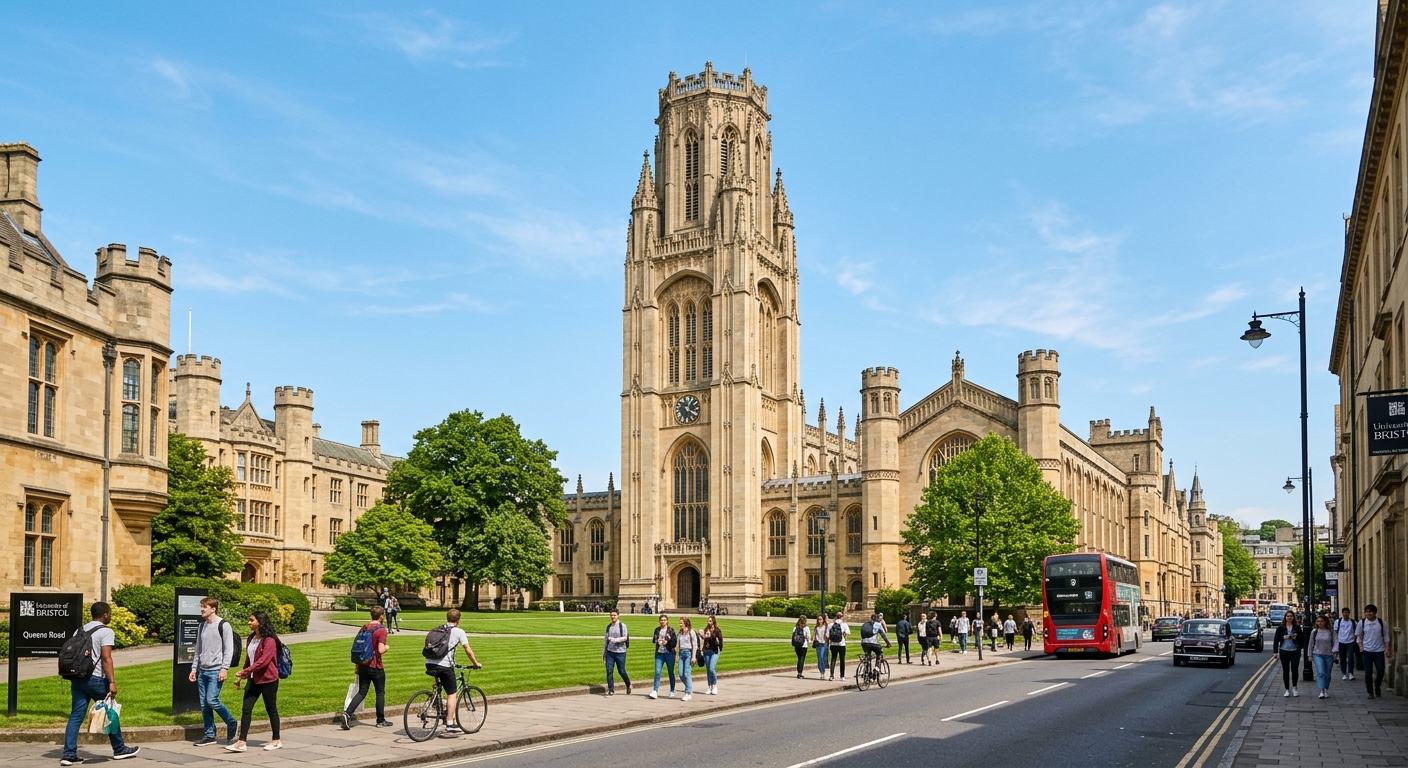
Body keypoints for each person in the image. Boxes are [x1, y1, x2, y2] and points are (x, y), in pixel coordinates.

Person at [60, 602, 141, 765]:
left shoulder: (80, 630)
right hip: (96, 678)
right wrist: (111, 682)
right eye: (109, 614)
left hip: (78, 678)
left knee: (76, 716)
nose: (110, 616)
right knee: (110, 711)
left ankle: (68, 755)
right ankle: (119, 749)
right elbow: (106, 658)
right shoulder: (106, 631)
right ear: (105, 614)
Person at [227, 611, 283, 752]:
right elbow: (249, 659)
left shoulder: (269, 640)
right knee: (246, 709)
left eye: (252, 620)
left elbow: (263, 661)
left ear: (260, 622)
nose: (249, 622)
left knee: (271, 709)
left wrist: (247, 671)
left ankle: (276, 740)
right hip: (253, 680)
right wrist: (242, 676)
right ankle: (241, 742)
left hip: (268, 679)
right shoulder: (251, 638)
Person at [422, 608, 482, 736]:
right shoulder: (459, 631)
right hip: (444, 666)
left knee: (440, 684)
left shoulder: (437, 629)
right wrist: (475, 663)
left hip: (429, 663)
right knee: (452, 694)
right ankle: (450, 724)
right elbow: (467, 650)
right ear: (458, 621)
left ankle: (436, 705)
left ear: (447, 618)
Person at [190, 597, 239, 746]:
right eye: (201, 607)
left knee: (212, 700)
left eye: (205, 607)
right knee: (204, 705)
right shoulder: (202, 626)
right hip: (203, 670)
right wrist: (194, 668)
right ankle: (209, 735)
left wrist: (224, 669)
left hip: (216, 670)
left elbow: (229, 649)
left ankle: (230, 721)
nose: (202, 610)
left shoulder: (224, 625)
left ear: (213, 609)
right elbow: (198, 649)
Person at [338, 606, 391, 728]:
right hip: (375, 665)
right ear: (381, 616)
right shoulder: (381, 630)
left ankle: (347, 713)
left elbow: (359, 648)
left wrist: (358, 665)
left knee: (362, 692)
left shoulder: (364, 627)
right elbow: (380, 649)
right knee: (380, 692)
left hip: (363, 664)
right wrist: (387, 648)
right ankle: (380, 720)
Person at [1357, 604, 1391, 699]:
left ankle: (1377, 686)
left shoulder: (1381, 622)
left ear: (1375, 613)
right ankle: (1370, 692)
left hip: (1379, 650)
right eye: (1367, 611)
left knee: (1380, 671)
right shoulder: (1362, 622)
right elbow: (1358, 636)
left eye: (1370, 611)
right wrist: (1360, 646)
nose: (1368, 613)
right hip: (1367, 650)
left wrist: (1387, 649)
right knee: (1368, 672)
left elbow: (1386, 636)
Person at [1272, 612, 1303, 698]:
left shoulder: (1297, 627)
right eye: (1288, 616)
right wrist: (1275, 652)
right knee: (1286, 671)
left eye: (1291, 616)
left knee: (1294, 669)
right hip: (1284, 650)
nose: (1289, 618)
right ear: (1285, 617)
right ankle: (1287, 689)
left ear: (1293, 617)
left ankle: (1294, 688)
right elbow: (1276, 640)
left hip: (1295, 651)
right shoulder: (1280, 628)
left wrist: (1296, 638)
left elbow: (1302, 639)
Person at [648, 613, 677, 699]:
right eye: (661, 620)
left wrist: (667, 642)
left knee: (670, 673)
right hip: (659, 653)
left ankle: (672, 690)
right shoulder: (657, 630)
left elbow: (674, 643)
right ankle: (655, 691)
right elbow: (654, 640)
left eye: (664, 620)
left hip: (669, 654)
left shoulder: (671, 630)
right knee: (657, 672)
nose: (663, 622)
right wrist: (658, 641)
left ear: (667, 621)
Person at [603, 610, 631, 696]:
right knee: (609, 671)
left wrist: (615, 640)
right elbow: (605, 641)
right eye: (611, 615)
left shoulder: (622, 626)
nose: (613, 617)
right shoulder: (608, 627)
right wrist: (604, 654)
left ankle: (628, 684)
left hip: (621, 652)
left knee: (621, 671)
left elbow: (625, 637)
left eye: (614, 615)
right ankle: (611, 689)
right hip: (610, 652)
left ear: (618, 616)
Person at [1308, 614, 1336, 699]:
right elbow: (1311, 644)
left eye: (1321, 621)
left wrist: (1335, 651)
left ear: (1325, 622)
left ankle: (1326, 689)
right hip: (1317, 654)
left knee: (1327, 674)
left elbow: (1335, 642)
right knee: (1320, 673)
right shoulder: (1314, 631)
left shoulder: (1331, 631)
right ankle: (1322, 691)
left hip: (1329, 654)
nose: (1319, 623)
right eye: (1318, 621)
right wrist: (1309, 655)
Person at [677, 617, 699, 701]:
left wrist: (693, 656)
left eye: (681, 623)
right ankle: (689, 687)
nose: (680, 624)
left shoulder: (691, 632)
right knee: (680, 674)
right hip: (682, 653)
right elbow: (678, 644)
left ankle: (688, 692)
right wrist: (677, 655)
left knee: (686, 673)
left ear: (686, 623)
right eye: (680, 623)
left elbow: (694, 645)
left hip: (689, 653)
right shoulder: (680, 632)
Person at [701, 615, 723, 694]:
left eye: (710, 621)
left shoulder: (717, 630)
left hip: (714, 651)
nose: (708, 622)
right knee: (708, 670)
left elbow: (719, 641)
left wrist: (711, 635)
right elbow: (704, 640)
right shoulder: (706, 629)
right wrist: (702, 636)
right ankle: (709, 686)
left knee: (711, 668)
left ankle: (714, 685)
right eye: (708, 621)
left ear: (713, 621)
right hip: (707, 651)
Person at [1334, 607, 1358, 680]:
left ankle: (1351, 673)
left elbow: (1356, 632)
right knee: (1342, 658)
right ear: (1342, 613)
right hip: (1341, 641)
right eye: (1344, 612)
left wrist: (1354, 639)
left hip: (1350, 641)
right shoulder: (1338, 621)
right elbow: (1335, 632)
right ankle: (1344, 673)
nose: (1345, 614)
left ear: (1349, 613)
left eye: (1347, 612)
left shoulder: (1353, 622)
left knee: (1350, 657)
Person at [828, 613, 850, 681]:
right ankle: (842, 676)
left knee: (833, 659)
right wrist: (843, 634)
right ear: (842, 617)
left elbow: (827, 635)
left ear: (836, 617)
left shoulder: (831, 625)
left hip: (833, 644)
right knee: (842, 660)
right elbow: (847, 633)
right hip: (841, 644)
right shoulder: (844, 624)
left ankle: (831, 675)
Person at [814, 614, 830, 679]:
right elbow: (814, 635)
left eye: (821, 619)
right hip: (818, 644)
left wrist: (827, 636)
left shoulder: (826, 627)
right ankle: (822, 672)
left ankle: (824, 670)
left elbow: (828, 635)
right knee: (819, 658)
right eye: (818, 619)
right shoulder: (816, 627)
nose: (819, 621)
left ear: (823, 620)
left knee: (823, 658)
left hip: (824, 643)